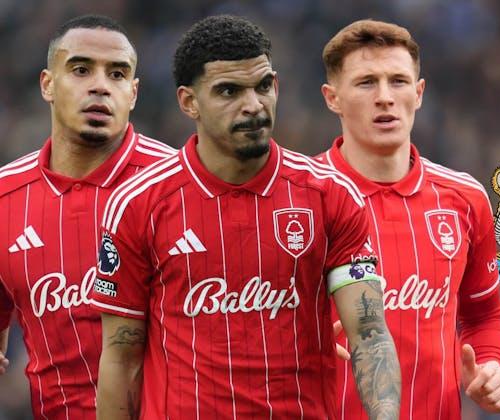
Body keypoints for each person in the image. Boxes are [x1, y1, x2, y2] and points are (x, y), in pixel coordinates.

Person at [92, 14, 400, 420]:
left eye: (263, 86)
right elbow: (121, 358)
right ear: (188, 102)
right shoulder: (138, 204)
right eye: (229, 91)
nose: (253, 105)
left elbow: (369, 333)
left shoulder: (331, 196)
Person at [317, 19, 500, 419]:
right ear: (332, 98)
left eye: (398, 81)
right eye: (366, 83)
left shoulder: (465, 198)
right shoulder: (299, 198)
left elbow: (485, 313)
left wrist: (491, 366)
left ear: (419, 93)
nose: (385, 98)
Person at [0, 15, 175, 419]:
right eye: (81, 70)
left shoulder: (176, 186)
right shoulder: (6, 197)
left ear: (133, 93)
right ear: (47, 84)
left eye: (117, 74)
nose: (100, 85)